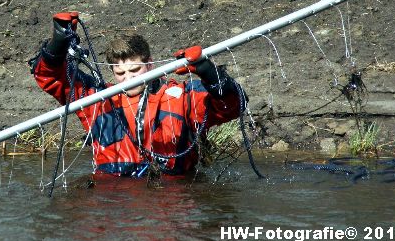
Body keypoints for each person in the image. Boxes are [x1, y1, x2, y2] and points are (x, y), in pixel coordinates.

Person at [30, 12, 246, 177]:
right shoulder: (96, 100)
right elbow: (51, 78)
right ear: (112, 72)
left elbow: (234, 105)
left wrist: (208, 71)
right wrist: (57, 44)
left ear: (150, 65)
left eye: (135, 70)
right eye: (120, 73)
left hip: (170, 198)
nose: (128, 78)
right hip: (112, 199)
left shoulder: (182, 97)